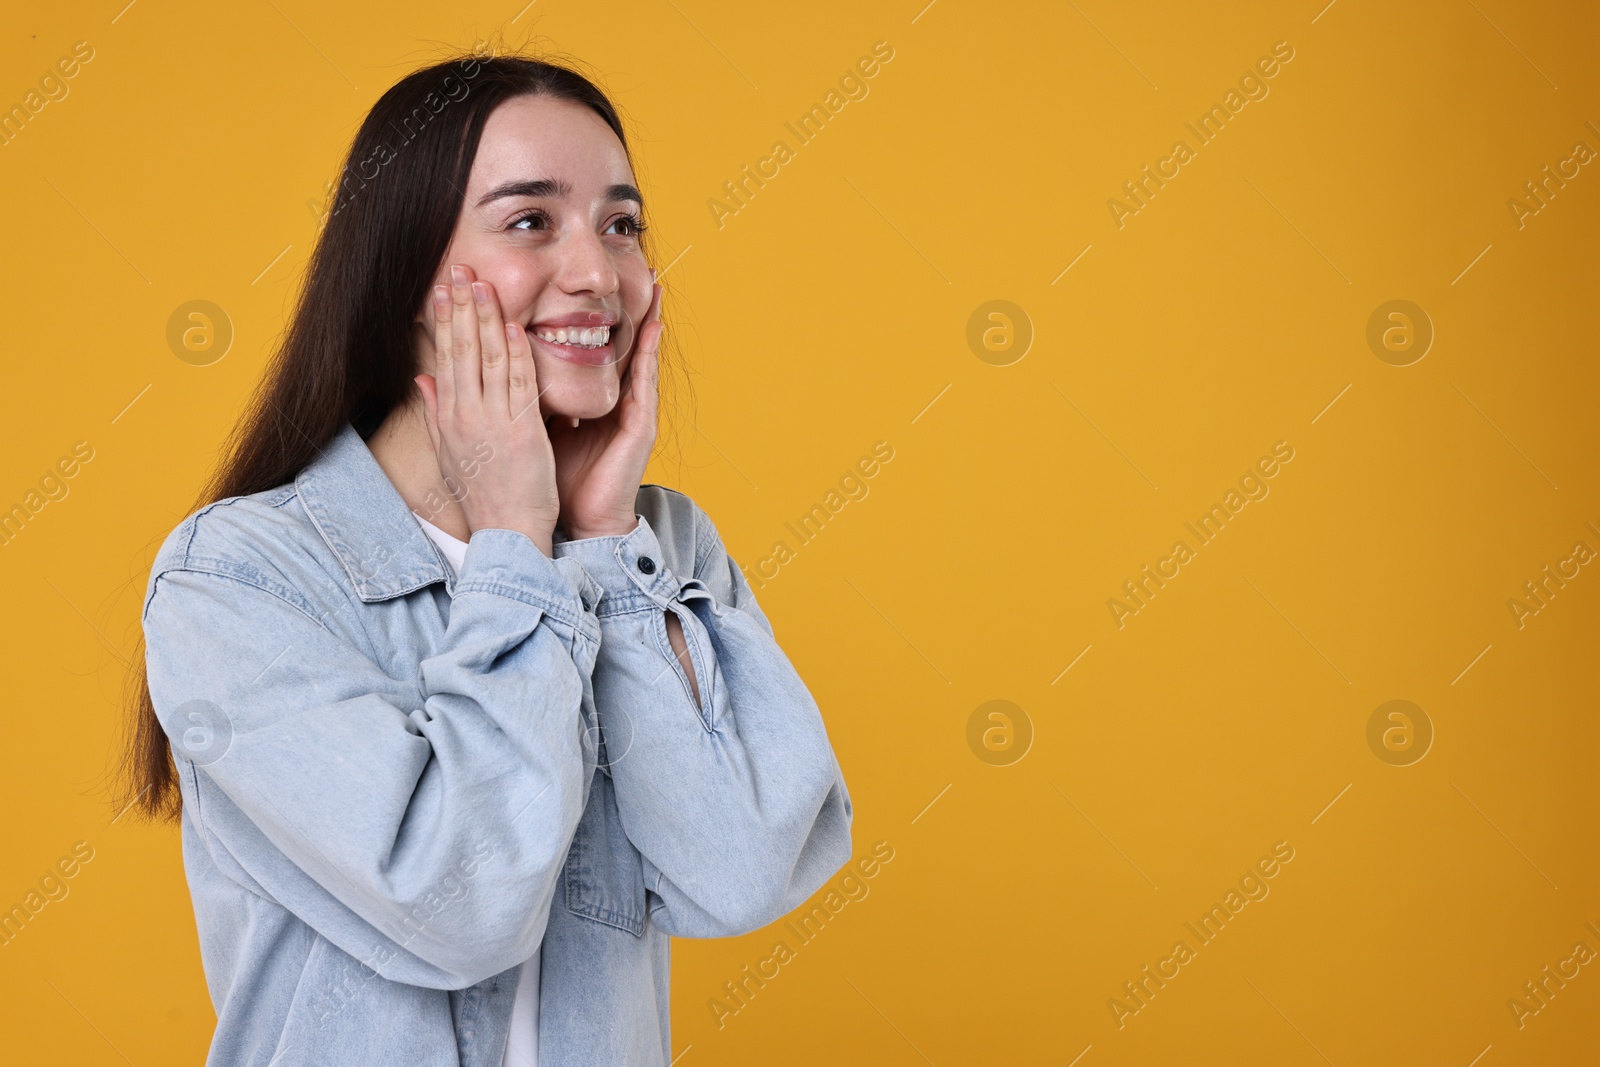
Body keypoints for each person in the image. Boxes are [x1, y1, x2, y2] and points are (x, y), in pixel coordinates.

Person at [118, 49, 853, 1066]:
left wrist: (598, 547)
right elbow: (457, 903)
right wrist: (513, 543)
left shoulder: (656, 548)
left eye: (622, 224)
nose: (599, 273)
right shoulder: (241, 577)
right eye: (529, 221)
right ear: (407, 271)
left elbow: (741, 870)